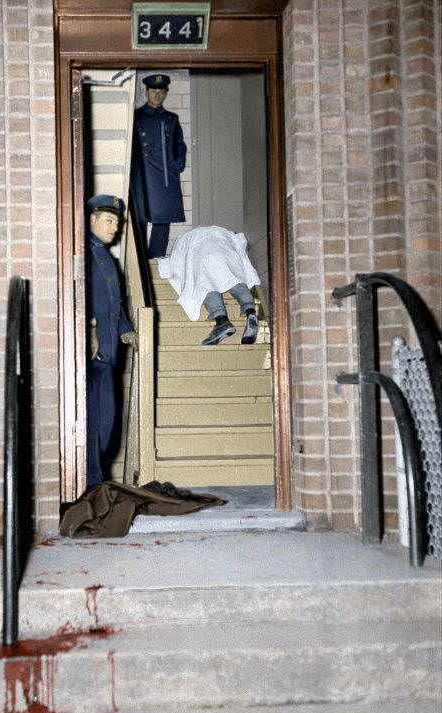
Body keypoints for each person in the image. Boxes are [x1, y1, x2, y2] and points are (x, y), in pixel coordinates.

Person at [86, 195, 138, 489]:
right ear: (91, 219)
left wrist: (126, 329)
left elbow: (114, 302)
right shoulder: (84, 252)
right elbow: (81, 294)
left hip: (109, 349)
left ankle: (97, 479)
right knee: (95, 422)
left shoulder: (105, 256)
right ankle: (93, 485)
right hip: (93, 350)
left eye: (117, 222)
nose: (114, 227)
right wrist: (90, 328)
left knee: (107, 423)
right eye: (109, 220)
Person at [157, 225, 261, 346]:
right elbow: (240, 243)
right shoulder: (217, 230)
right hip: (224, 244)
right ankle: (250, 311)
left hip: (201, 251)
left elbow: (172, 266)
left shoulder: (183, 240)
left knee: (206, 285)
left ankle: (222, 321)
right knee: (234, 279)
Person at [130, 73, 187, 259]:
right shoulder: (136, 117)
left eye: (161, 91)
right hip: (142, 177)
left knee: (162, 221)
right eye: (153, 90)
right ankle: (140, 262)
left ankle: (156, 260)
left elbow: (180, 146)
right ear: (146, 92)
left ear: (166, 94)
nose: (157, 95)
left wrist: (175, 166)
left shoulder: (172, 119)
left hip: (164, 179)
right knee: (139, 220)